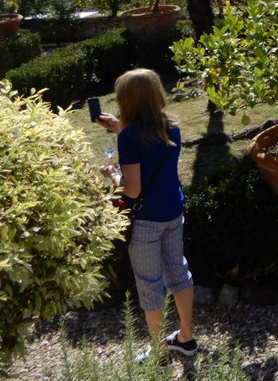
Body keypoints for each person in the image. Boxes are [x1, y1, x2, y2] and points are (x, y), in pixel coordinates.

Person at [96, 68, 197, 364]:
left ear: (127, 100)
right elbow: (151, 146)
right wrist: (119, 128)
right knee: (179, 271)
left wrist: (113, 175)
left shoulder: (129, 137)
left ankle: (158, 352)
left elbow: (133, 190)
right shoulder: (171, 126)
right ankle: (186, 338)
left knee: (150, 283)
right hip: (173, 211)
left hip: (146, 222)